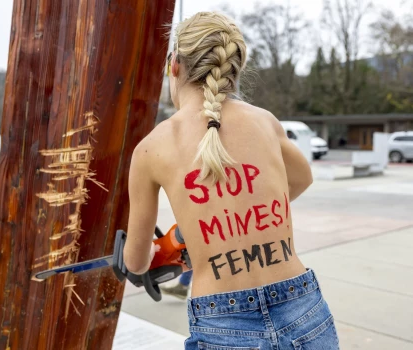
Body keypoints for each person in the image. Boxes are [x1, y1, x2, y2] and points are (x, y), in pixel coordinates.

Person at [123, 11, 339, 350]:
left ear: (174, 65)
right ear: (234, 69)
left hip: (224, 321)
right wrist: (243, 217)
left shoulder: (150, 149)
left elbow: (136, 262)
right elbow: (302, 177)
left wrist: (156, 251)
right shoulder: (265, 122)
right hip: (302, 306)